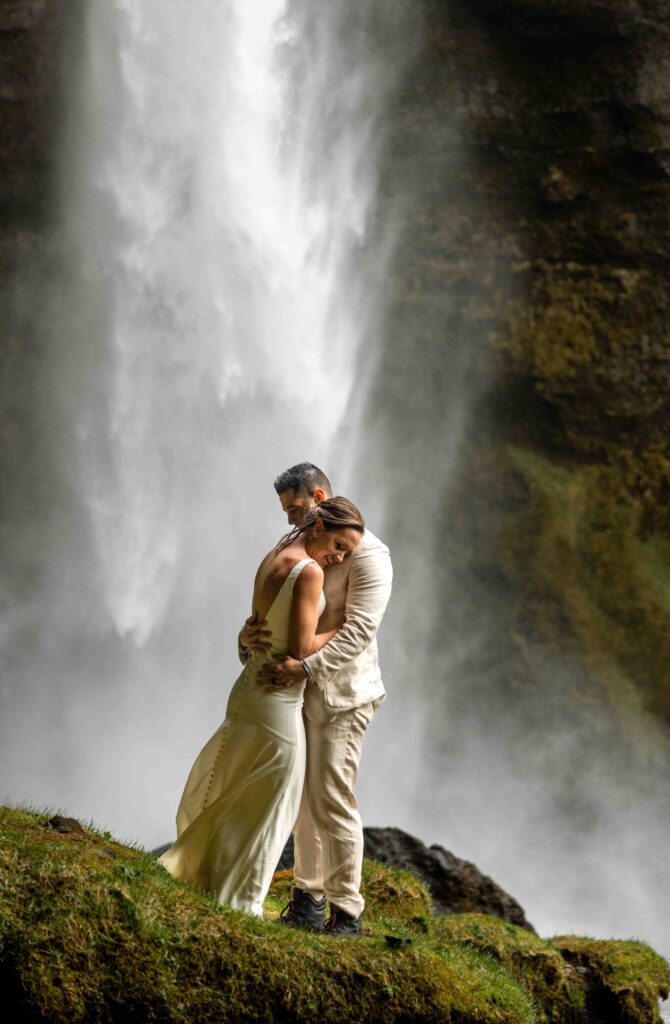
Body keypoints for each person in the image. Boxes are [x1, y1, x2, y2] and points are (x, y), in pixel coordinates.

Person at [158, 497, 365, 917]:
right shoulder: (308, 572)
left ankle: (210, 874)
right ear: (318, 526)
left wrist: (243, 638)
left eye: (347, 553)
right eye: (339, 545)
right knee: (274, 802)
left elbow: (260, 623)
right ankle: (241, 901)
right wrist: (345, 629)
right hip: (276, 700)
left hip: (250, 686)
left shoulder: (275, 554)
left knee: (241, 791)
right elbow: (302, 647)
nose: (339, 558)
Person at [239, 463, 393, 935]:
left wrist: (304, 664)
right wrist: (248, 637)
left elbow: (360, 630)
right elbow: (280, 606)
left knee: (332, 798)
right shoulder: (301, 544)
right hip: (300, 689)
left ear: (319, 498)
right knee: (307, 795)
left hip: (344, 696)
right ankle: (309, 899)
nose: (289, 520)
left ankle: (348, 912)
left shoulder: (369, 556)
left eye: (295, 509)